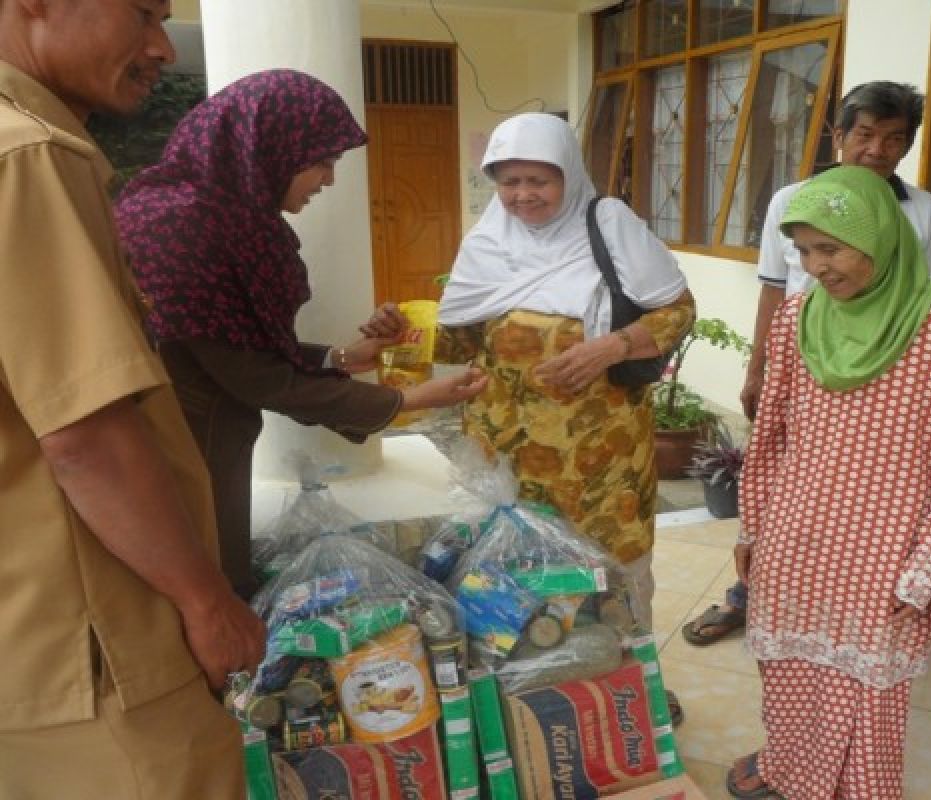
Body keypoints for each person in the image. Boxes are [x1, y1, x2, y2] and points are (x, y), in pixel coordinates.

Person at [0, 1, 266, 796]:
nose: (160, 46)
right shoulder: (29, 157)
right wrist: (208, 601)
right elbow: (87, 431)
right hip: (95, 633)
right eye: (142, 12)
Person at [365, 112, 695, 721]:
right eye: (508, 181)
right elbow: (465, 345)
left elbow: (677, 310)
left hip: (600, 456)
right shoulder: (488, 241)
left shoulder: (610, 224)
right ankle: (541, 699)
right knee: (517, 579)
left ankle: (635, 690)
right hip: (506, 454)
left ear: (568, 175)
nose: (522, 195)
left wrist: (613, 345)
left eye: (538, 180)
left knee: (615, 574)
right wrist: (400, 335)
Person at [116, 69, 487, 598]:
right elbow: (259, 377)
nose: (329, 181)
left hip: (201, 441)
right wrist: (404, 400)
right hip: (181, 459)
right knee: (203, 600)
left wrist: (340, 357)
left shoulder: (219, 217)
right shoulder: (186, 229)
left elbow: (233, 341)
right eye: (322, 162)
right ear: (268, 146)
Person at [727, 165, 931, 799]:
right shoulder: (796, 318)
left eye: (832, 247)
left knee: (869, 702)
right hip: (797, 537)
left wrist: (930, 564)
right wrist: (753, 527)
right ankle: (792, 779)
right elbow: (769, 438)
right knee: (790, 676)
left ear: (880, 237)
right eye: (803, 251)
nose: (816, 265)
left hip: (888, 551)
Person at [683, 80, 931, 647]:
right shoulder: (793, 200)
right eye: (865, 134)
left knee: (858, 497)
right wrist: (757, 373)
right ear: (840, 135)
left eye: (894, 140)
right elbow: (773, 292)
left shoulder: (922, 211)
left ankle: (855, 608)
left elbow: (923, 303)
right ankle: (750, 596)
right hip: (800, 371)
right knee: (781, 486)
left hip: (882, 377)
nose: (877, 150)